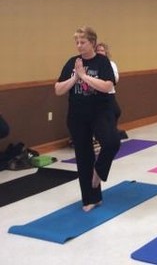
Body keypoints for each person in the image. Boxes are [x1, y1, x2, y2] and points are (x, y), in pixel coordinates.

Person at [55, 26, 121, 212]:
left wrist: (84, 76)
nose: (79, 45)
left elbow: (107, 86)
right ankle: (91, 199)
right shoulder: (71, 62)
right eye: (76, 42)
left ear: (92, 42)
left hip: (101, 111)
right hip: (77, 115)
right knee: (83, 157)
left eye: (82, 42)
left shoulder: (102, 62)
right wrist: (75, 78)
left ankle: (99, 171)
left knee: (112, 142)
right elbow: (58, 89)